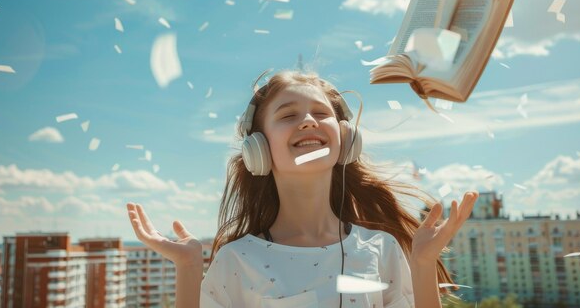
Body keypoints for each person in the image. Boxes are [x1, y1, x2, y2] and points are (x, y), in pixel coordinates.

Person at [126, 70, 479, 307]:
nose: (309, 121)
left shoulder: (381, 250)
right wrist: (188, 268)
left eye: (321, 114)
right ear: (258, 150)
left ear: (346, 140)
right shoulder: (237, 260)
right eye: (288, 115)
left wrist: (422, 263)